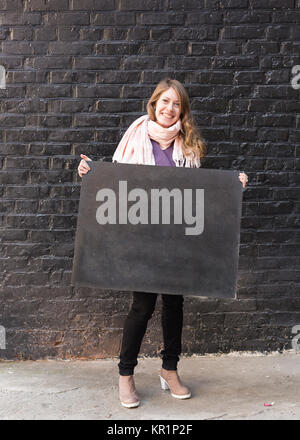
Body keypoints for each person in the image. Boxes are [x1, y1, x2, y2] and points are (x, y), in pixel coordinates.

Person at [77, 78, 248, 408]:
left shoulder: (188, 145)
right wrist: (89, 171)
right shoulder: (135, 136)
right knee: (141, 307)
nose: (170, 109)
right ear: (154, 104)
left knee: (174, 306)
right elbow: (115, 183)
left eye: (177, 104)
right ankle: (125, 376)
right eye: (165, 102)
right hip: (141, 238)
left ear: (182, 111)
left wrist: (232, 186)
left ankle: (169, 370)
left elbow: (200, 194)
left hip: (177, 240)